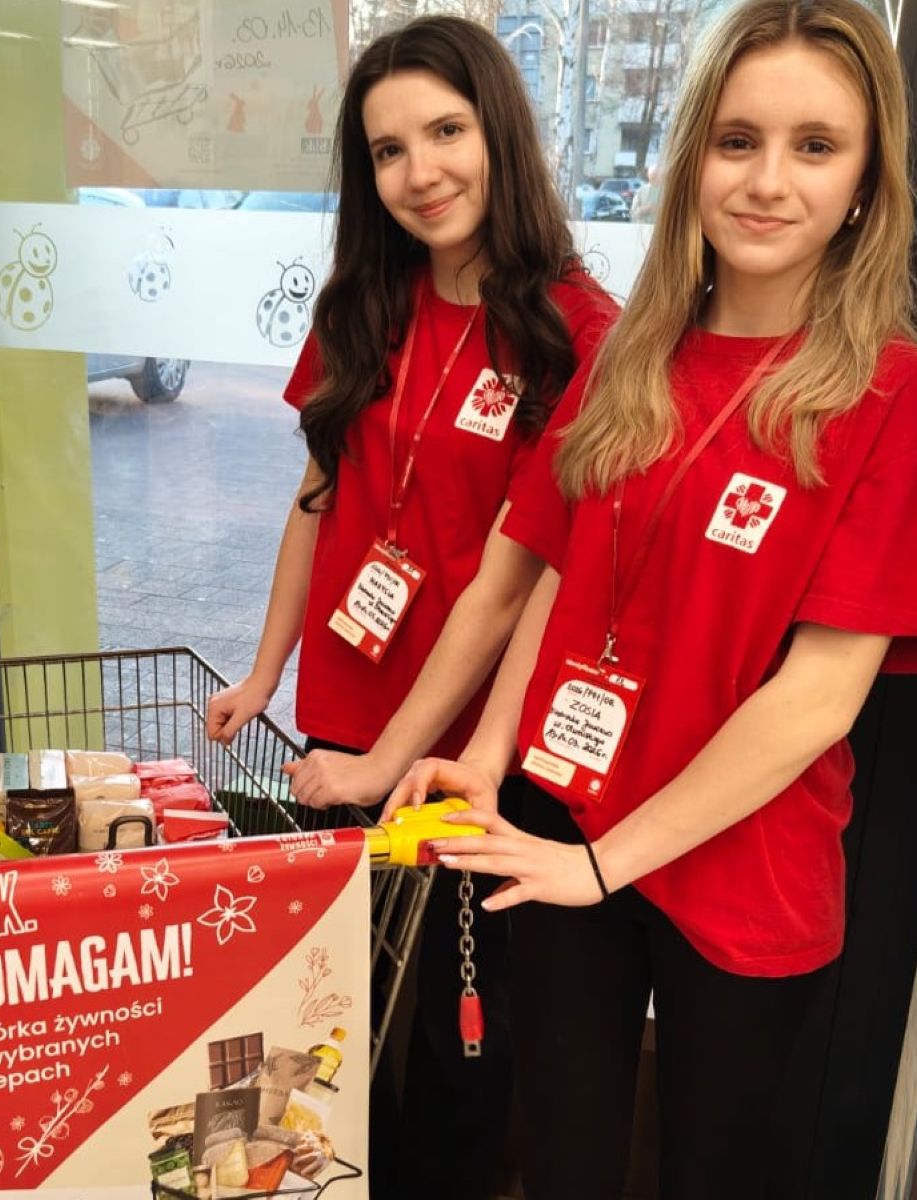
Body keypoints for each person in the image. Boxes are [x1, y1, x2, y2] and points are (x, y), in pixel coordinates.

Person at [379, 2, 917, 1196]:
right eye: (736, 141)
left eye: (815, 146)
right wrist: (488, 758)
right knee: (563, 1164)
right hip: (560, 826)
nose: (766, 181)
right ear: (692, 156)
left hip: (743, 870)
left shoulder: (899, 402)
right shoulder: (627, 354)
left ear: (866, 183)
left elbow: (818, 696)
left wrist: (608, 864)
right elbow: (560, 573)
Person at [204, 15, 618, 1197]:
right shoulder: (363, 304)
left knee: (452, 1037)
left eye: (446, 132)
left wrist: (391, 761)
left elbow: (510, 583)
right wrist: (265, 669)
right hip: (346, 722)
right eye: (388, 150)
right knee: (325, 1015)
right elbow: (316, 495)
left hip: (465, 757)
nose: (420, 172)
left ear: (501, 136)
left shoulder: (577, 332)